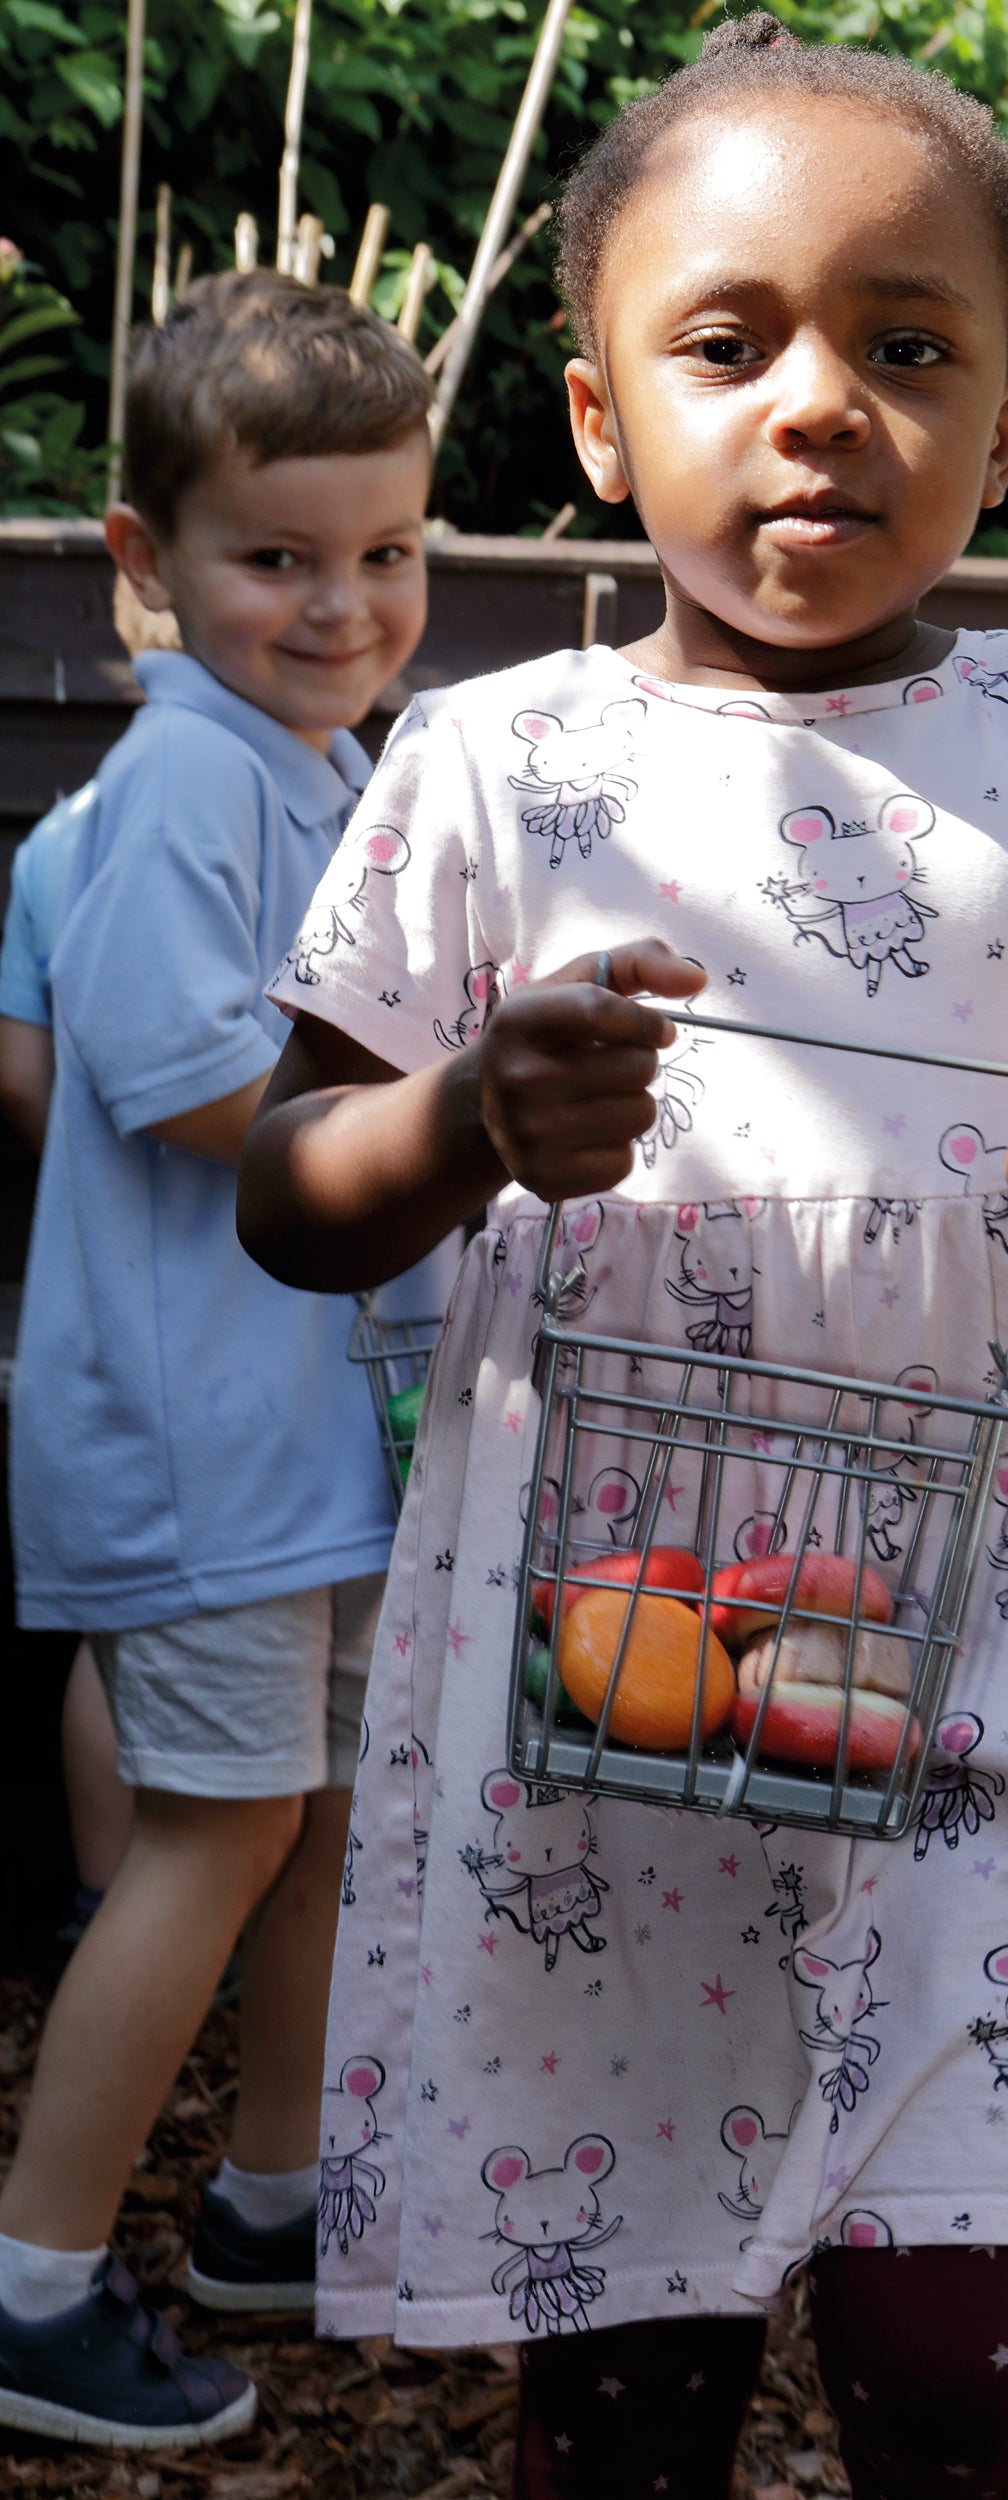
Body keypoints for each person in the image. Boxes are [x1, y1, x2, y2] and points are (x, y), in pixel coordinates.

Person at [239, 21, 1008, 2500]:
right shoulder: (495, 766)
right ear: (605, 417)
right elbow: (286, 1192)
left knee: (971, 2375)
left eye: (903, 347)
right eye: (732, 345)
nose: (819, 404)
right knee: (625, 2393)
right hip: (607, 1722)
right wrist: (462, 1115)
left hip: (988, 1679)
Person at [0, 269, 433, 2450]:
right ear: (146, 564)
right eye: (279, 557)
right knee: (210, 1825)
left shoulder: (314, 755)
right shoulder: (179, 783)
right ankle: (30, 2276)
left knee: (312, 1815)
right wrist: (455, 1110)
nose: (344, 603)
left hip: (304, 1439)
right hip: (199, 1441)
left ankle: (273, 2192)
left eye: (388, 552)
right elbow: (184, 1082)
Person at [0, 585, 184, 1932]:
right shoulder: (297, 815)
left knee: (117, 1618)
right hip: (247, 1291)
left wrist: (109, 1176)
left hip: (103, 1288)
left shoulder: (56, 841)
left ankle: (98, 1905)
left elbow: (21, 1074)